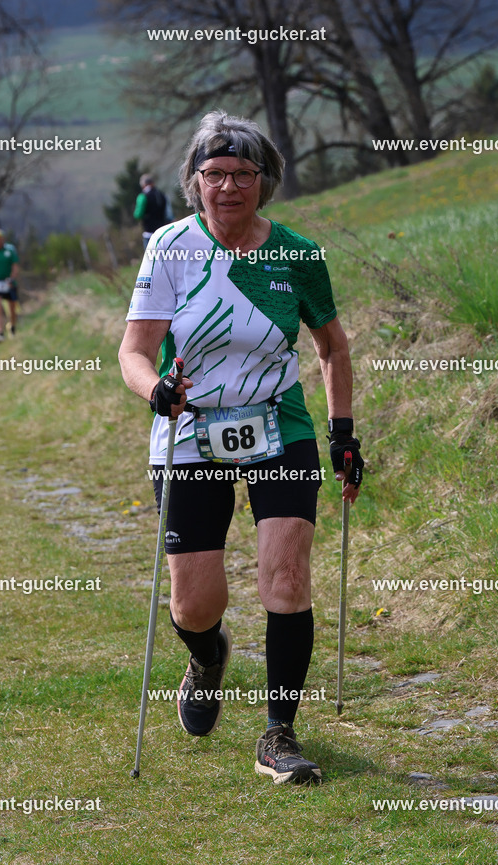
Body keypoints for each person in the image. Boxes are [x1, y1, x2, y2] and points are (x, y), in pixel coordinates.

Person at [119, 111, 364, 786]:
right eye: (214, 174)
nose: (228, 187)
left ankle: (278, 734)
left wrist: (341, 433)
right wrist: (154, 391)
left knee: (284, 577)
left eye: (243, 175)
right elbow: (135, 351)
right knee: (194, 604)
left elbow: (332, 346)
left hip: (278, 428)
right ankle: (205, 656)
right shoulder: (170, 247)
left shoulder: (296, 254)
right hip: (189, 430)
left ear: (265, 181)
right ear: (194, 183)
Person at [133, 174, 172, 249]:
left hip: (149, 232)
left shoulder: (142, 196)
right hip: (162, 232)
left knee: (150, 258)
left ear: (143, 185)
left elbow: (138, 214)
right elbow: (169, 214)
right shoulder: (162, 195)